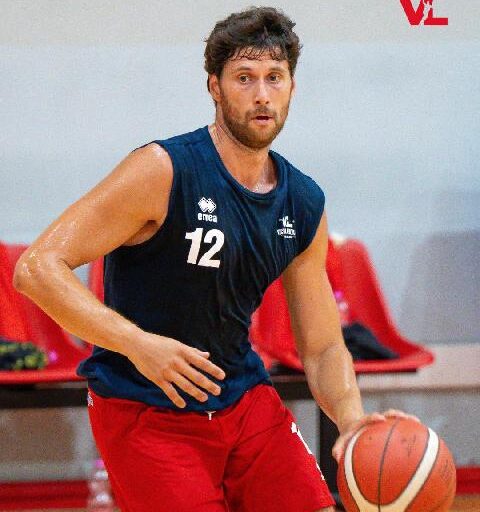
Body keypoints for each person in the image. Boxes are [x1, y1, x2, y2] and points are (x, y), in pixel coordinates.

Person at [13, 7, 413, 512]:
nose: (262, 94)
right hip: (144, 407)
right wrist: (138, 344)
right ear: (215, 88)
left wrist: (351, 419)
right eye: (244, 78)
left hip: (242, 398)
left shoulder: (303, 202)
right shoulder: (162, 170)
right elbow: (37, 269)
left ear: (292, 88)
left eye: (274, 77)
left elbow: (322, 346)